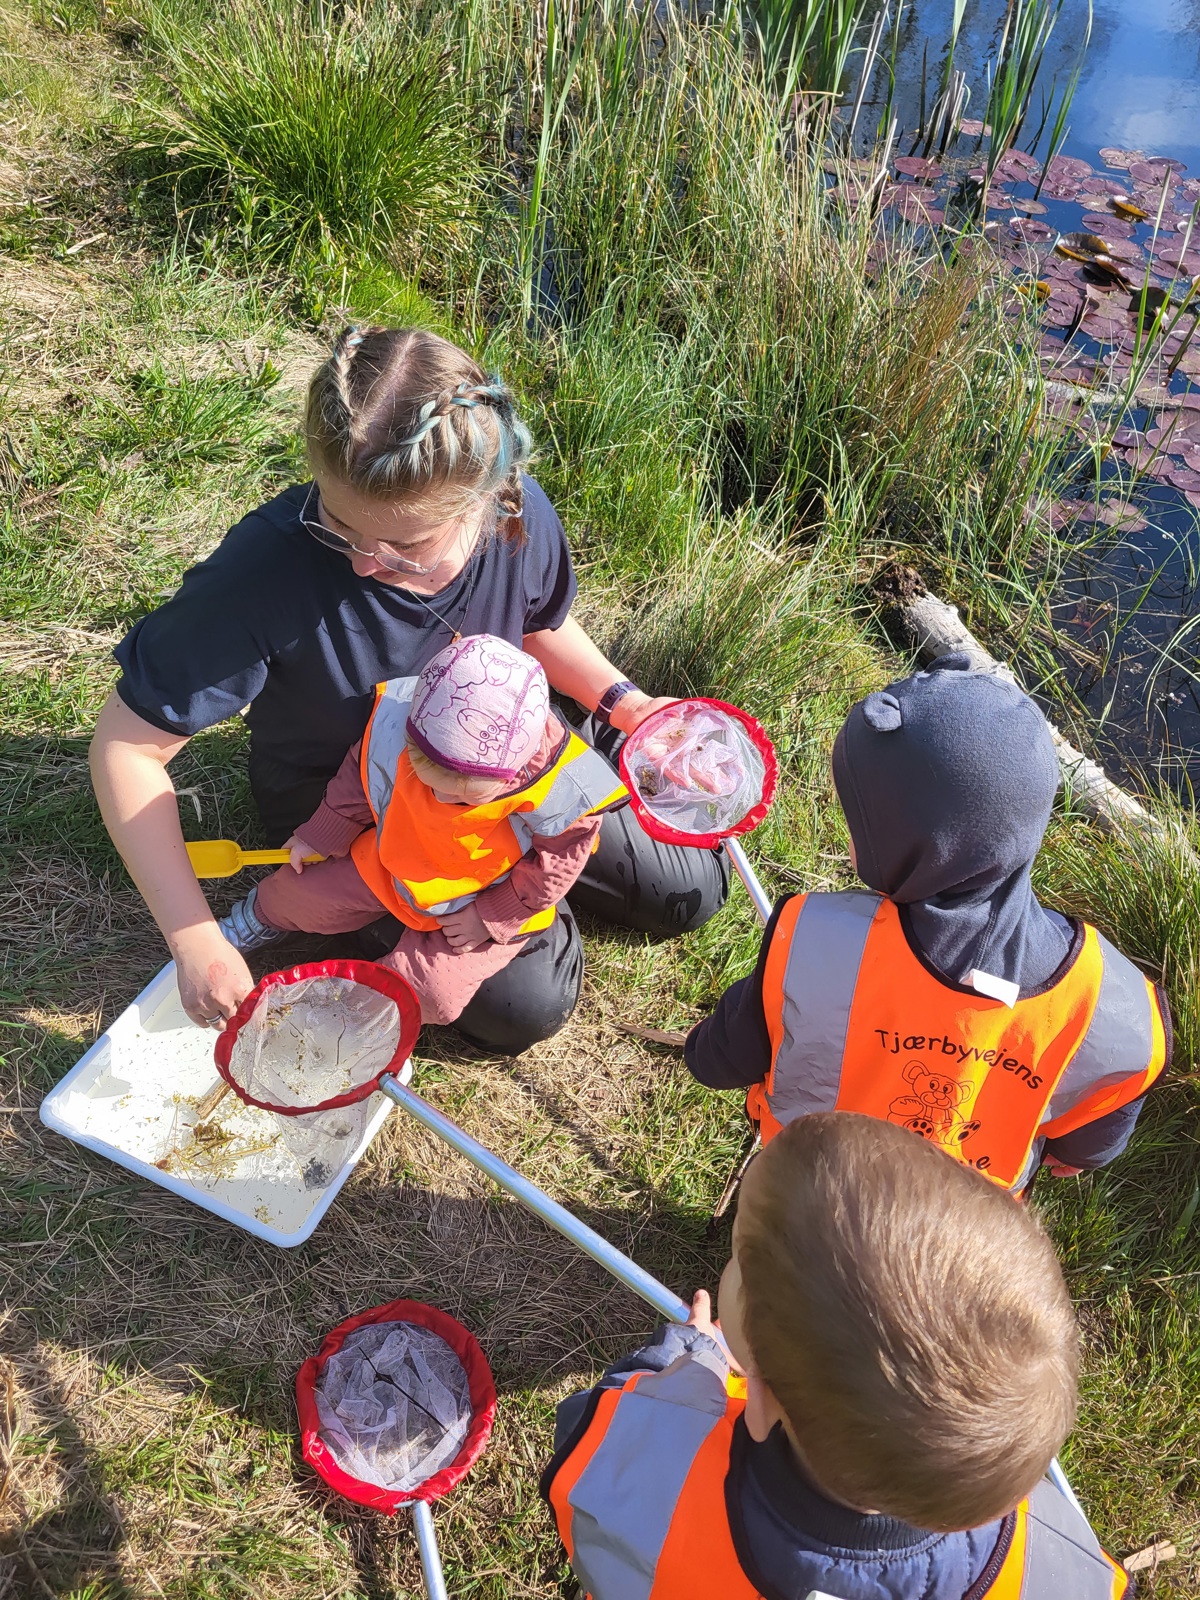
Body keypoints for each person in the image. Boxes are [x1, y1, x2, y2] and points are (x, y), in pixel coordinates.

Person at [89, 326, 727, 1048]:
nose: (365, 565)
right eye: (342, 528)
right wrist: (193, 937)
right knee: (525, 1005)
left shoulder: (518, 516)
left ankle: (532, 868)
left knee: (690, 892)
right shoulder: (261, 576)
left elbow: (541, 625)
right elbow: (126, 748)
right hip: (361, 797)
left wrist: (623, 702)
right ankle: (512, 895)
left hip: (510, 758)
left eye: (406, 548)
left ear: (485, 500)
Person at [542, 1112, 1129, 1599]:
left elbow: (582, 1445)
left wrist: (688, 1355)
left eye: (740, 1263)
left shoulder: (660, 1468)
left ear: (762, 1402)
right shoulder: (1061, 1567)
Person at [685, 656, 1169, 1190]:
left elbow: (717, 1061)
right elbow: (1084, 1149)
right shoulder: (1121, 1008)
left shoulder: (812, 943)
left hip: (807, 1198)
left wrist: (701, 1044)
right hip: (957, 1236)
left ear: (914, 845)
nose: (851, 843)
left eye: (861, 825)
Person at [219, 634, 627, 1040]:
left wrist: (492, 915)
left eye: (463, 794)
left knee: (433, 990)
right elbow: (362, 774)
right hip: (393, 857)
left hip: (482, 893)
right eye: (427, 776)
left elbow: (555, 868)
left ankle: (351, 1020)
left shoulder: (559, 786)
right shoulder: (401, 724)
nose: (443, 796)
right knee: (299, 892)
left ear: (511, 773)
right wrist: (326, 831)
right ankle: (251, 923)